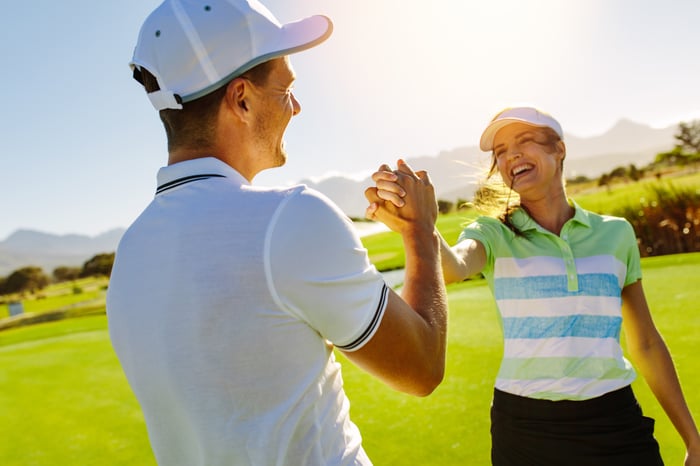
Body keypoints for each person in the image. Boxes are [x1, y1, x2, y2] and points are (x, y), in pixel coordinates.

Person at [106, 1, 448, 465]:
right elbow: (421, 368)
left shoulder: (131, 252)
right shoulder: (292, 217)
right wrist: (420, 232)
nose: (297, 106)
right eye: (286, 89)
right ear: (242, 99)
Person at [366, 107, 700, 465]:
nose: (511, 156)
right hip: (526, 428)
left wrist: (693, 440)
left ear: (559, 149)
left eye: (524, 142)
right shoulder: (493, 232)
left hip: (615, 420)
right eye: (501, 152)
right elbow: (454, 265)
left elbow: (646, 342)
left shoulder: (615, 232)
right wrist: (418, 225)